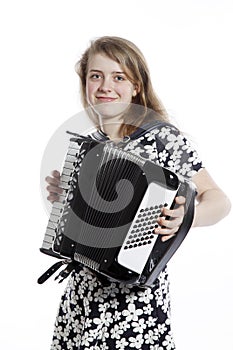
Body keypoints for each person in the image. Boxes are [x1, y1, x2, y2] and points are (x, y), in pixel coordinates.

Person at [45, 36, 231, 350]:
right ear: (85, 85)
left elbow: (220, 200)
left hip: (136, 305)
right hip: (83, 298)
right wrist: (64, 196)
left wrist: (187, 216)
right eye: (96, 76)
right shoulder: (89, 145)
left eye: (118, 77)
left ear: (136, 87)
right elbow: (88, 223)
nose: (105, 86)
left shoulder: (162, 138)